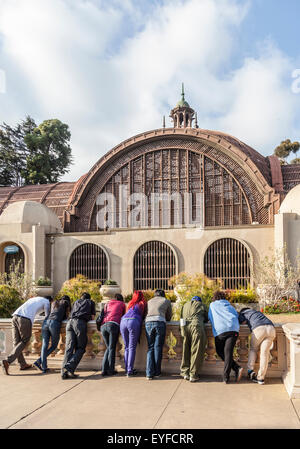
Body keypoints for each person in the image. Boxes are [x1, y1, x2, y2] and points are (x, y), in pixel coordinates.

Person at [1, 295, 52, 375]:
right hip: (25, 319)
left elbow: (35, 314)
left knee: (17, 342)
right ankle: (8, 361)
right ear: (50, 301)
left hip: (15, 316)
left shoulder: (35, 299)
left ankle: (22, 364)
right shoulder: (47, 302)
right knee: (25, 340)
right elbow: (48, 316)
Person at [208, 290, 243, 384]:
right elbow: (236, 316)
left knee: (220, 352)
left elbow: (210, 317)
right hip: (233, 329)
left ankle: (228, 376)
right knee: (228, 353)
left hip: (220, 330)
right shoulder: (230, 306)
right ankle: (234, 370)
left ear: (214, 298)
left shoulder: (212, 305)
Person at [33, 295, 71, 374]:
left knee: (44, 345)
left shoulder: (54, 302)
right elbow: (66, 316)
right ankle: (38, 361)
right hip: (54, 323)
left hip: (46, 322)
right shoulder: (66, 302)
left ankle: (44, 367)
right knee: (54, 345)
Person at [61, 292, 95, 379]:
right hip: (79, 323)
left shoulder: (76, 302)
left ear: (81, 297)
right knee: (81, 347)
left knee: (69, 348)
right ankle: (69, 366)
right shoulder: (90, 302)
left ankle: (64, 372)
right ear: (89, 298)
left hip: (70, 322)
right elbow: (93, 317)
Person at [238, 307, 276, 385]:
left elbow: (242, 322)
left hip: (259, 329)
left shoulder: (243, 313)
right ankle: (261, 378)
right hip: (271, 329)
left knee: (253, 349)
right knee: (264, 353)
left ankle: (250, 371)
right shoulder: (257, 312)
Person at [144, 289, 172, 380]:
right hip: (160, 323)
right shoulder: (166, 301)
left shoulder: (149, 301)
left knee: (150, 348)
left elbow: (146, 313)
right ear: (163, 294)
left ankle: (149, 373)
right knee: (158, 347)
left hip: (148, 323)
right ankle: (157, 372)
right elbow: (169, 315)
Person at [180, 296, 208, 382]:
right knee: (196, 350)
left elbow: (181, 317)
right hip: (196, 326)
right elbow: (206, 319)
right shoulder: (202, 305)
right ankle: (193, 374)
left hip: (184, 327)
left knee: (185, 349)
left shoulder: (185, 305)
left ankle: (185, 373)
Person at [120, 290, 147, 377]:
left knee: (126, 347)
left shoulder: (130, 303)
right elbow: (143, 315)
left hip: (123, 321)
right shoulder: (142, 303)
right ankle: (129, 371)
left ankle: (127, 369)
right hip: (133, 321)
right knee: (131, 348)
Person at [100, 293, 126, 376]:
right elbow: (124, 316)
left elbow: (103, 314)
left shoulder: (107, 304)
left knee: (108, 348)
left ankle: (104, 370)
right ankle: (111, 370)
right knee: (111, 348)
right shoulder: (122, 304)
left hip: (103, 326)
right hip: (113, 325)